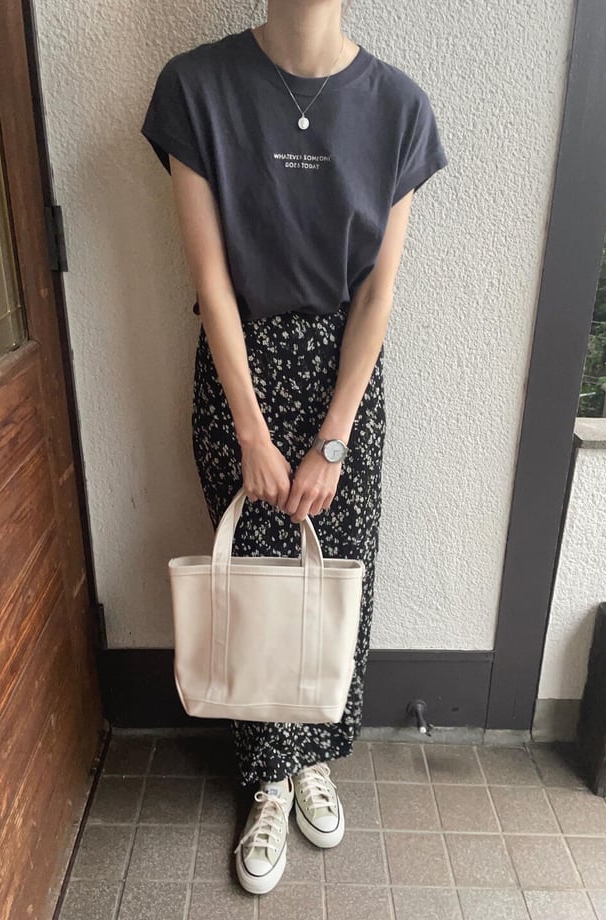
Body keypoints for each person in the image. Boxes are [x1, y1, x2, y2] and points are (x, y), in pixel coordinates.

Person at [141, 0, 448, 896]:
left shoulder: (400, 107)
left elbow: (378, 294)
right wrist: (251, 429)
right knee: (255, 587)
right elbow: (209, 277)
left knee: (334, 579)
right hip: (240, 373)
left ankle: (312, 754)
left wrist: (334, 439)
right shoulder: (196, 87)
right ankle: (267, 781)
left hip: (344, 386)